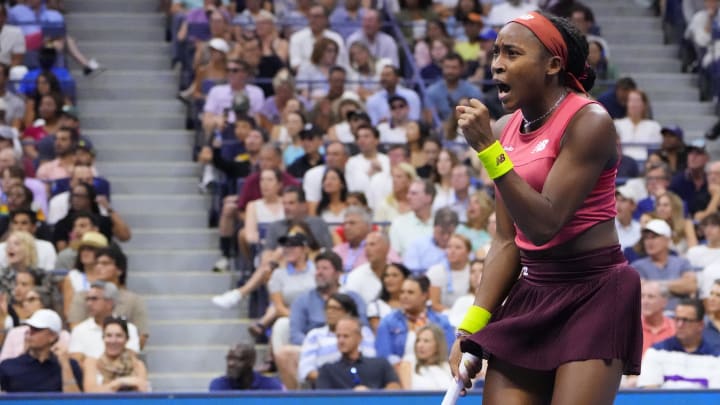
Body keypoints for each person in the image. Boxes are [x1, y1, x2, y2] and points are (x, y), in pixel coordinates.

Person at [450, 11, 642, 404]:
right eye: (496, 52)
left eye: (513, 53)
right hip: (533, 292)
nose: (498, 63)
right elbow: (507, 240)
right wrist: (471, 327)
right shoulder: (505, 128)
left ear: (553, 64)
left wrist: (489, 151)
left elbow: (545, 223)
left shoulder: (590, 122)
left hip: (597, 293)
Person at [636, 299, 720, 388]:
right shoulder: (656, 351)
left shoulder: (716, 357)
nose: (679, 325)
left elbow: (715, 397)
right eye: (677, 319)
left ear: (700, 325)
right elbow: (648, 395)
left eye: (686, 320)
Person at [0, 309, 81, 392]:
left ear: (52, 336)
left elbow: (75, 401)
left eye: (36, 329)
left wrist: (65, 366)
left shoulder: (70, 366)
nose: (30, 333)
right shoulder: (9, 366)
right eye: (30, 328)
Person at [315, 317, 401, 390]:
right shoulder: (328, 370)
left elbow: (395, 389)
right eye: (338, 336)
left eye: (346, 336)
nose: (341, 341)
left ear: (359, 338)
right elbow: (322, 399)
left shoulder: (380, 364)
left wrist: (371, 394)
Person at [83, 317, 149, 392]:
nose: (113, 340)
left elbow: (143, 390)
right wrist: (118, 383)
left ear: (126, 339)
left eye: (119, 336)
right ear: (103, 338)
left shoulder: (137, 365)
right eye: (109, 335)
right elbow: (90, 392)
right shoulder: (92, 363)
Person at [396, 324, 454, 390]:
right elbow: (407, 397)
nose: (420, 345)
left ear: (438, 345)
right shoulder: (408, 364)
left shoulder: (448, 367)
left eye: (426, 341)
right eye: (418, 340)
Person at [209, 343, 283, 391]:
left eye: (237, 359)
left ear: (252, 362)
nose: (230, 364)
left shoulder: (270, 386)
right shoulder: (219, 385)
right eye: (229, 358)